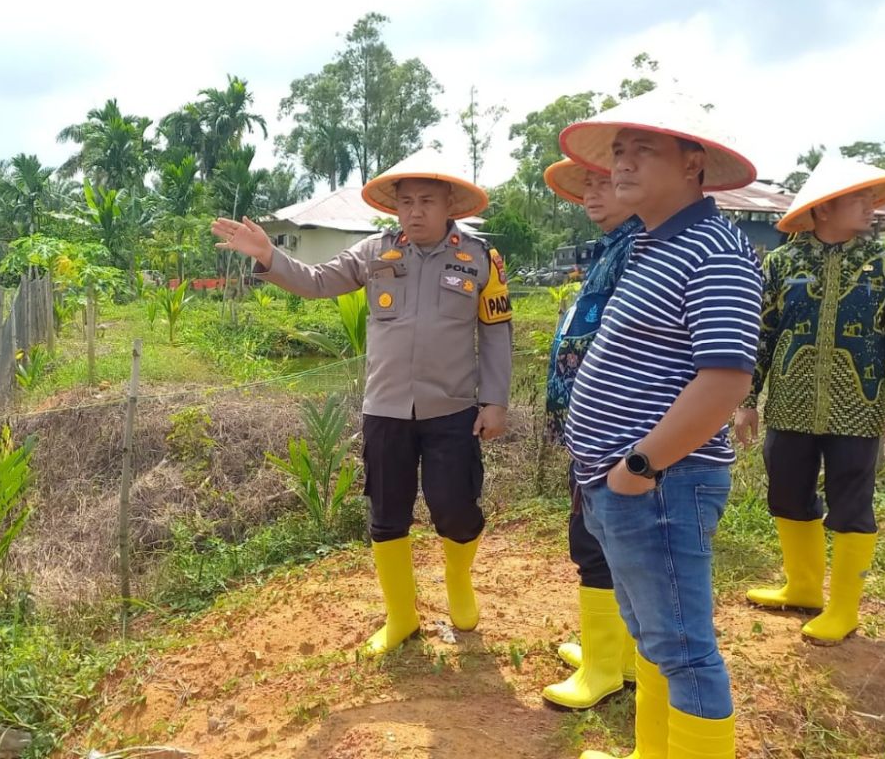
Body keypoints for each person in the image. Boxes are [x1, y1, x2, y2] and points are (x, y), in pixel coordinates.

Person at [211, 149, 512, 656]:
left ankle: (459, 581)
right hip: (386, 409)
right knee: (386, 514)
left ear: (449, 207)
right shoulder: (373, 253)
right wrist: (268, 255)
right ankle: (402, 617)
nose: (414, 212)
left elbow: (497, 332)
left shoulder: (480, 259)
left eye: (426, 202)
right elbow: (316, 282)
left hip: (454, 409)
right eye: (405, 202)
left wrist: (495, 401)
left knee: (456, 509)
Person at [561, 88, 763, 759]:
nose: (621, 163)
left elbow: (727, 379)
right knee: (652, 636)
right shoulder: (653, 244)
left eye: (642, 149)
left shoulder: (715, 249)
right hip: (626, 485)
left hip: (661, 486)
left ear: (693, 163)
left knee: (684, 650)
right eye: (618, 150)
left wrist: (639, 468)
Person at [735, 155, 885, 644]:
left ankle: (844, 608)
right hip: (791, 403)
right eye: (858, 197)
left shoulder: (883, 265)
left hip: (857, 406)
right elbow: (761, 333)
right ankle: (802, 587)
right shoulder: (782, 263)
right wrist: (747, 398)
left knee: (851, 505)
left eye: (870, 198)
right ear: (823, 208)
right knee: (787, 494)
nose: (869, 206)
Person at [541, 158, 642, 709]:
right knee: (600, 538)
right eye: (588, 186)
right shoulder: (610, 249)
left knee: (600, 543)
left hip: (617, 430)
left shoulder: (639, 248)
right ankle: (616, 654)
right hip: (592, 428)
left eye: (605, 182)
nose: (593, 195)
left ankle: (605, 668)